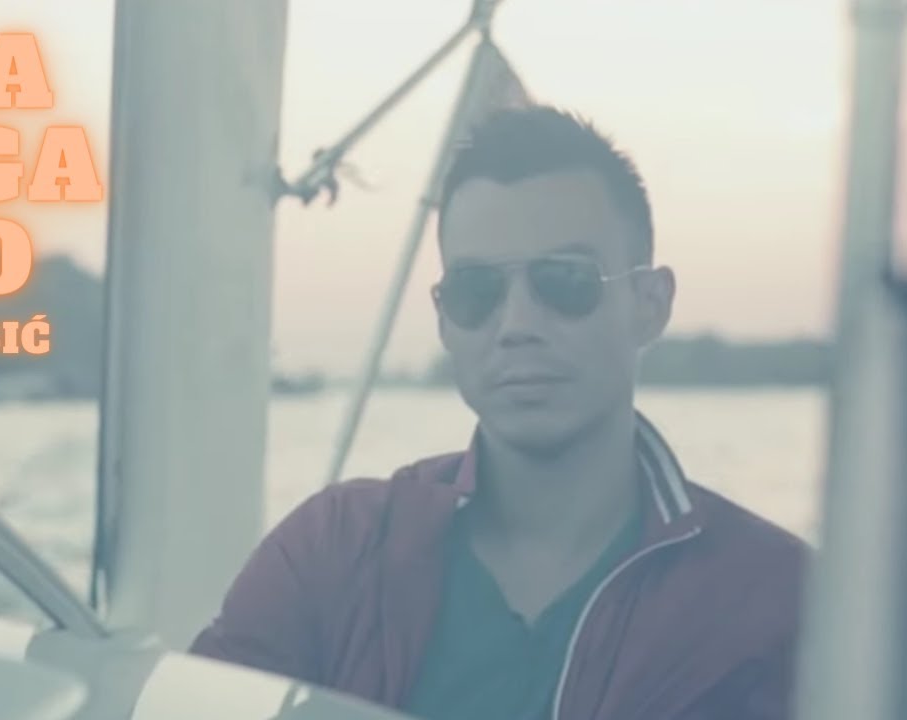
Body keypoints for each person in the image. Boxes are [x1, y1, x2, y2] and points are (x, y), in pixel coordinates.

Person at [189, 105, 808, 719]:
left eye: (565, 281)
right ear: (444, 321)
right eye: (476, 290)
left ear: (649, 304)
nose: (516, 324)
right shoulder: (332, 551)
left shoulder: (779, 601)